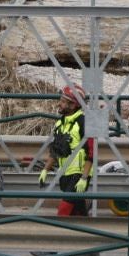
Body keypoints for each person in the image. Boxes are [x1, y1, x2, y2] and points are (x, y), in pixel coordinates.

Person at [38, 84, 95, 220]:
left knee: (64, 210)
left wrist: (84, 178)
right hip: (65, 173)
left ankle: (59, 237)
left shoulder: (83, 123)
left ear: (73, 105)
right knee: (77, 212)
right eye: (61, 100)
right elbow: (56, 150)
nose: (60, 104)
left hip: (79, 174)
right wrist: (45, 170)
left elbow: (91, 153)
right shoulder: (60, 124)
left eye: (63, 101)